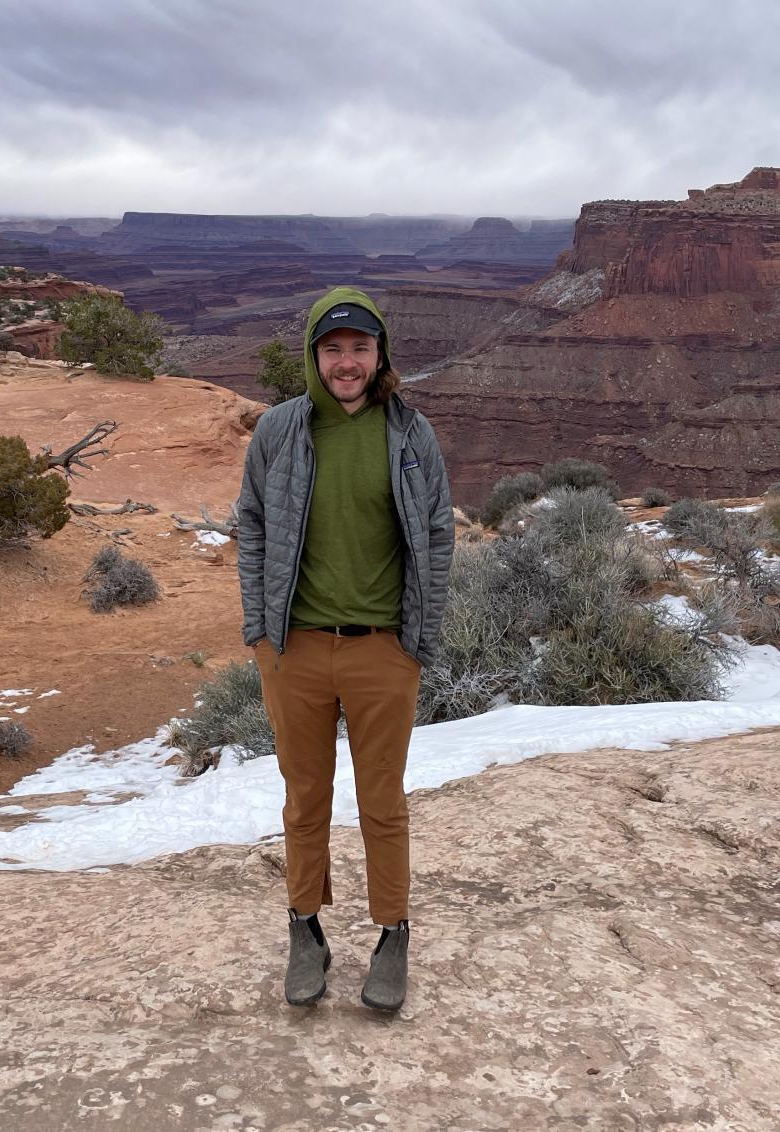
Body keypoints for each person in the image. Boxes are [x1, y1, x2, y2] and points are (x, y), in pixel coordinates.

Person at [237, 286, 454, 1011]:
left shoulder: (411, 433)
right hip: (294, 649)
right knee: (305, 798)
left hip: (383, 650)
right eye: (333, 349)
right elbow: (254, 527)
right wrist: (260, 633)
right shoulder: (279, 430)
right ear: (313, 356)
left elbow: (437, 535)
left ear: (379, 353)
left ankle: (393, 933)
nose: (347, 362)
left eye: (360, 348)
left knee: (383, 802)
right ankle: (306, 927)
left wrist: (420, 637)